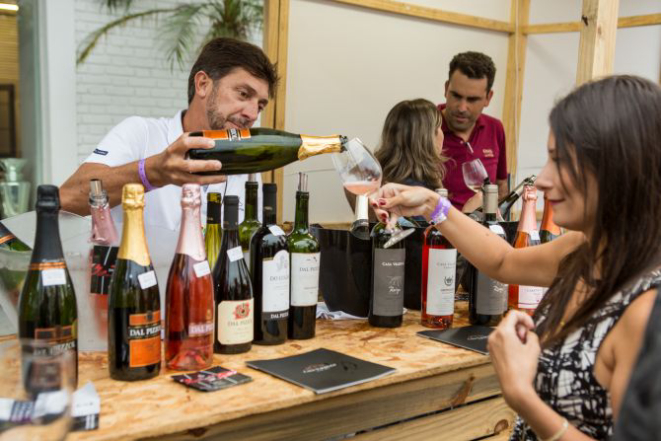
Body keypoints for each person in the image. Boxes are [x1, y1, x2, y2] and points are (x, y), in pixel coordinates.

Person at [371, 75, 661, 440]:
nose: (541, 180)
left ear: (618, 168)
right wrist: (431, 204)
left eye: (560, 161)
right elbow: (503, 263)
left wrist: (523, 396)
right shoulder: (581, 252)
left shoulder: (647, 307)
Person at [60, 38, 278, 230]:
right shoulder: (141, 133)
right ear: (203, 84)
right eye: (243, 94)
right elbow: (67, 199)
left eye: (260, 105)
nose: (252, 114)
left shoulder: (247, 169)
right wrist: (153, 172)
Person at [439, 51, 508, 209]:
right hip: (434, 231)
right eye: (456, 96)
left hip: (482, 231)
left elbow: (501, 186)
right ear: (446, 89)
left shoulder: (495, 128)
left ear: (488, 98)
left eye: (472, 99)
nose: (462, 107)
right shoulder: (424, 127)